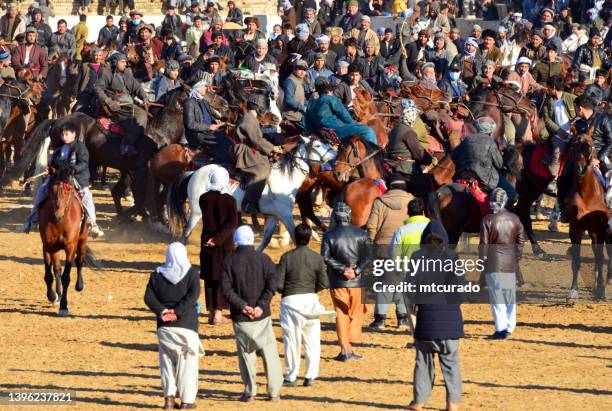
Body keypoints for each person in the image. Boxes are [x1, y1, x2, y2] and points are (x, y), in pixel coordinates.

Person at [221, 225, 283, 402]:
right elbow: (272, 284)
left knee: (246, 355)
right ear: (252, 240)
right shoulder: (265, 259)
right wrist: (261, 305)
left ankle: (250, 391)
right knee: (269, 353)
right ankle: (274, 392)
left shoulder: (228, 262)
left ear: (236, 241)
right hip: (262, 315)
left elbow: (226, 289)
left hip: (242, 317)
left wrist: (242, 306)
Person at [407, 220, 464, 411]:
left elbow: (409, 290)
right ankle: (452, 403)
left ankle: (419, 402)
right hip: (450, 320)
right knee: (451, 364)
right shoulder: (452, 257)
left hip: (426, 319)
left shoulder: (417, 258)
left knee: (423, 363)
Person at [144, 242, 203, 410]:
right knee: (188, 365)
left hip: (164, 327)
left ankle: (169, 399)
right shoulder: (192, 274)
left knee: (166, 364)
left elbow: (148, 298)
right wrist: (177, 312)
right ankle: (187, 401)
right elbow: (193, 296)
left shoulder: (157, 274)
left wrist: (162, 311)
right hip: (186, 325)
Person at [20, 123, 103, 238]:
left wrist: (73, 169)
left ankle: (93, 224)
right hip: (58, 176)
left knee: (87, 196)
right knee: (42, 191)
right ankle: (32, 221)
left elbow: (83, 163)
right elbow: (54, 162)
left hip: (76, 177)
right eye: (62, 134)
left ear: (74, 135)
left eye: (67, 134)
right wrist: (50, 168)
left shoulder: (80, 148)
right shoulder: (59, 147)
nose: (64, 137)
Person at [277, 224, 329, 386]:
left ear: (294, 237)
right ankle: (310, 376)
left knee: (291, 341)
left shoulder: (286, 257)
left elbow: (278, 284)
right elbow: (324, 283)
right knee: (312, 342)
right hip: (311, 301)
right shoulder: (317, 258)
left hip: (291, 301)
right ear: (309, 239)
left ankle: (291, 376)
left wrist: (288, 290)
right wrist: (311, 290)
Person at [321, 202, 372, 361]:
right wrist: (356, 271)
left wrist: (343, 270)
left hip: (337, 281)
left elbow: (325, 257)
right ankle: (350, 345)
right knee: (356, 313)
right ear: (349, 216)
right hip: (357, 282)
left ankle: (345, 349)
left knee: (341, 314)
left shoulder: (328, 235)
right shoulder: (361, 233)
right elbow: (369, 257)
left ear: (335, 217)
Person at [366, 175, 414, 330]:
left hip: (383, 248)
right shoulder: (412, 200)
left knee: (384, 283)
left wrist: (371, 243)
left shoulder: (380, 202)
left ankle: (380, 319)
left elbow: (372, 226)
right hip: (406, 248)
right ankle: (403, 318)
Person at [479, 188, 524, 340]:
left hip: (493, 263)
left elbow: (484, 245)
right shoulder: (515, 219)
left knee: (497, 298)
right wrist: (516, 257)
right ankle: (510, 327)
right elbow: (520, 241)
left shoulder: (487, 219)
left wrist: (482, 262)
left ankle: (501, 329)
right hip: (510, 262)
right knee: (509, 297)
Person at [199, 167, 238, 325]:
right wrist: (217, 239)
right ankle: (218, 314)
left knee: (209, 277)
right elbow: (231, 224)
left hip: (206, 242)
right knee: (221, 278)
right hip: (223, 245)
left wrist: (211, 239)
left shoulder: (203, 198)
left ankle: (210, 312)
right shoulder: (230, 200)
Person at [233, 94, 283, 214]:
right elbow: (256, 140)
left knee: (268, 161)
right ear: (260, 108)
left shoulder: (251, 118)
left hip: (248, 147)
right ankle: (250, 202)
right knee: (262, 168)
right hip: (244, 150)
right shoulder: (249, 119)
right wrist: (273, 148)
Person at [94, 52, 149, 157]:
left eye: (125, 62)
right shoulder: (107, 73)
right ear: (115, 62)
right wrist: (108, 101)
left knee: (143, 114)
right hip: (115, 104)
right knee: (133, 120)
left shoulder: (127, 73)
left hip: (128, 103)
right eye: (122, 62)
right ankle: (126, 145)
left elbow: (136, 87)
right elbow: (97, 88)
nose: (125, 64)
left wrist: (145, 97)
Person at [451, 117, 517, 205]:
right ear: (491, 131)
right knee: (511, 193)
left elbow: (453, 155)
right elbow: (499, 164)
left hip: (463, 176)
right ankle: (497, 212)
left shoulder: (467, 139)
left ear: (477, 128)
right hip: (485, 180)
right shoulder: (491, 142)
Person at [302, 77, 377, 146]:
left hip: (320, 134)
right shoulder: (331, 99)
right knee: (367, 131)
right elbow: (345, 116)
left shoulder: (311, 105)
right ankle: (374, 156)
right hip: (337, 131)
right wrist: (355, 124)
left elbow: (308, 126)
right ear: (330, 91)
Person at [541, 75, 577, 195]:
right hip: (558, 134)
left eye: (549, 87)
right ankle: (554, 180)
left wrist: (574, 125)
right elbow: (546, 118)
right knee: (558, 154)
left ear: (554, 87)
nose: (547, 89)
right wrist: (558, 131)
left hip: (574, 133)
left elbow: (580, 110)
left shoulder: (570, 98)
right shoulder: (549, 101)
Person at [386, 99, 436, 182]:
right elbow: (419, 152)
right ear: (412, 117)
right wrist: (430, 160)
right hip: (404, 167)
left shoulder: (394, 129)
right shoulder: (408, 132)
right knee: (426, 183)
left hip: (390, 163)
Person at [183, 80, 223, 151]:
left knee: (226, 137)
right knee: (222, 143)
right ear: (198, 88)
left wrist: (215, 121)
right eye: (204, 87)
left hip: (207, 131)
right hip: (199, 134)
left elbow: (207, 116)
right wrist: (208, 127)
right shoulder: (190, 103)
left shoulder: (203, 101)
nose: (206, 89)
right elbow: (190, 124)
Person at [73, 47, 105, 116]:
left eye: (99, 55)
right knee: (77, 112)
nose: (97, 57)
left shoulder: (105, 68)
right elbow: (78, 80)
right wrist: (74, 93)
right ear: (92, 56)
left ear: (102, 56)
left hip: (99, 95)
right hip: (86, 92)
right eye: (95, 55)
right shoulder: (85, 66)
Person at [282, 59, 308, 123]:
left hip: (298, 117)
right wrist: (303, 108)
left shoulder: (300, 80)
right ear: (294, 69)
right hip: (290, 117)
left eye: (304, 70)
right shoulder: (290, 81)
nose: (303, 72)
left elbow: (303, 98)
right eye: (300, 69)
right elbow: (289, 100)